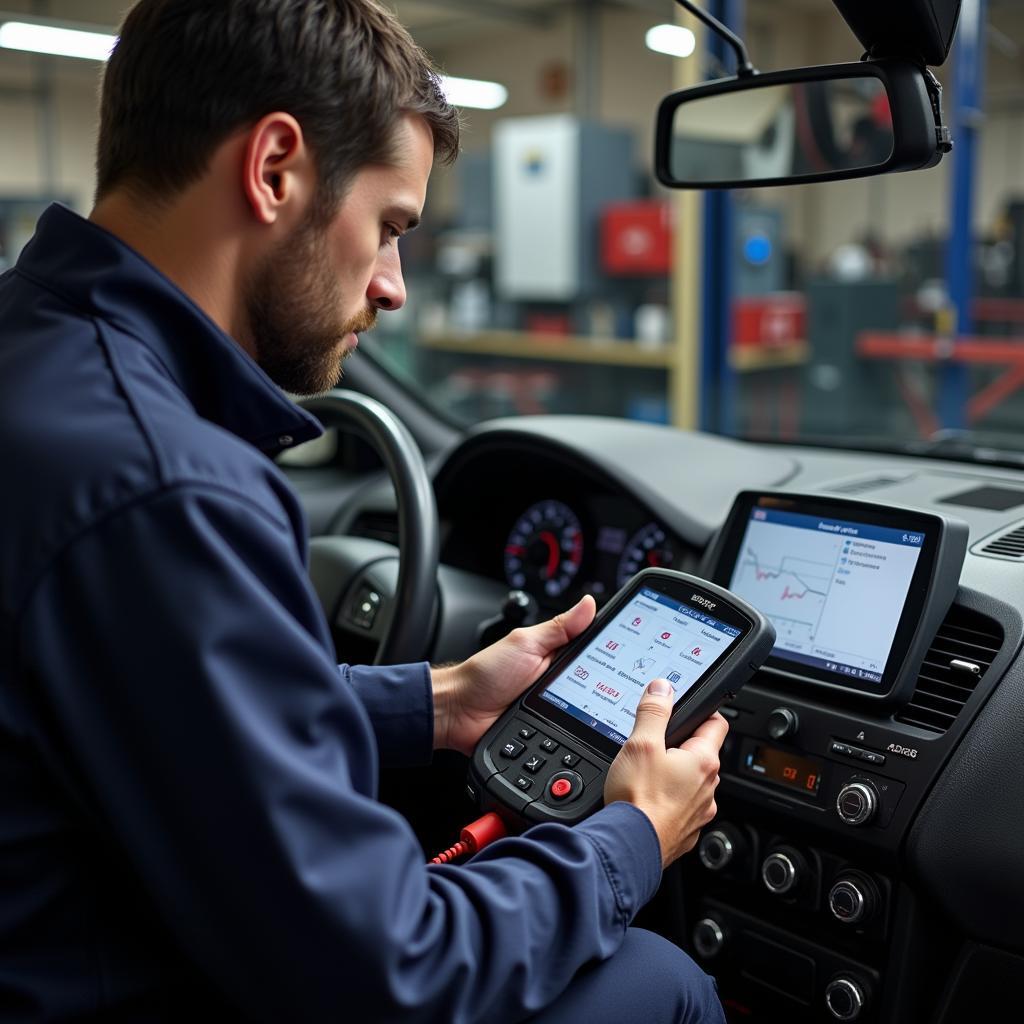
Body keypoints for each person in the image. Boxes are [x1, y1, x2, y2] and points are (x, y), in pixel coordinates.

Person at [0, 2, 728, 1021]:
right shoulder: (169, 485)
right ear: (274, 170)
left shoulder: (37, 359)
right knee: (664, 980)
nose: (391, 286)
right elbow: (393, 971)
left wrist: (435, 701)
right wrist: (631, 839)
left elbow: (156, 713)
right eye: (389, 227)